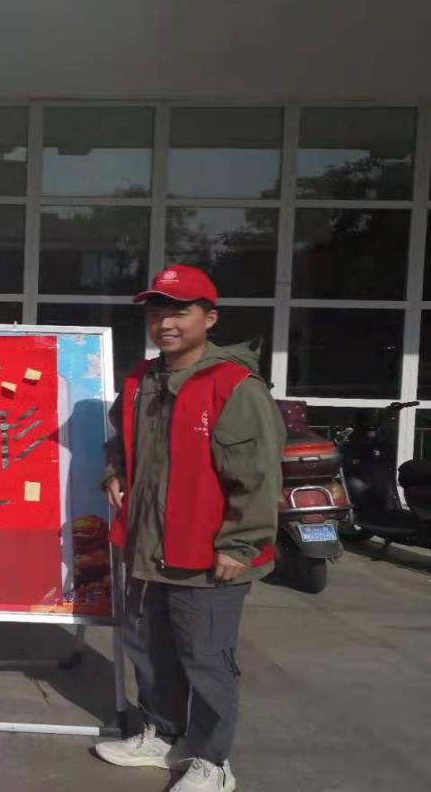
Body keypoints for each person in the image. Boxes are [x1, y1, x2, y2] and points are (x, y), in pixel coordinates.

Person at [93, 265, 284, 792]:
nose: (166, 323)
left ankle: (212, 761)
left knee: (206, 660)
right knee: (149, 652)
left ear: (209, 318)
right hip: (146, 546)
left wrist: (239, 545)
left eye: (180, 311)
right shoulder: (142, 381)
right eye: (157, 313)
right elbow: (119, 440)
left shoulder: (235, 386)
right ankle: (162, 735)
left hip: (207, 553)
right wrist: (115, 472)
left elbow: (259, 476)